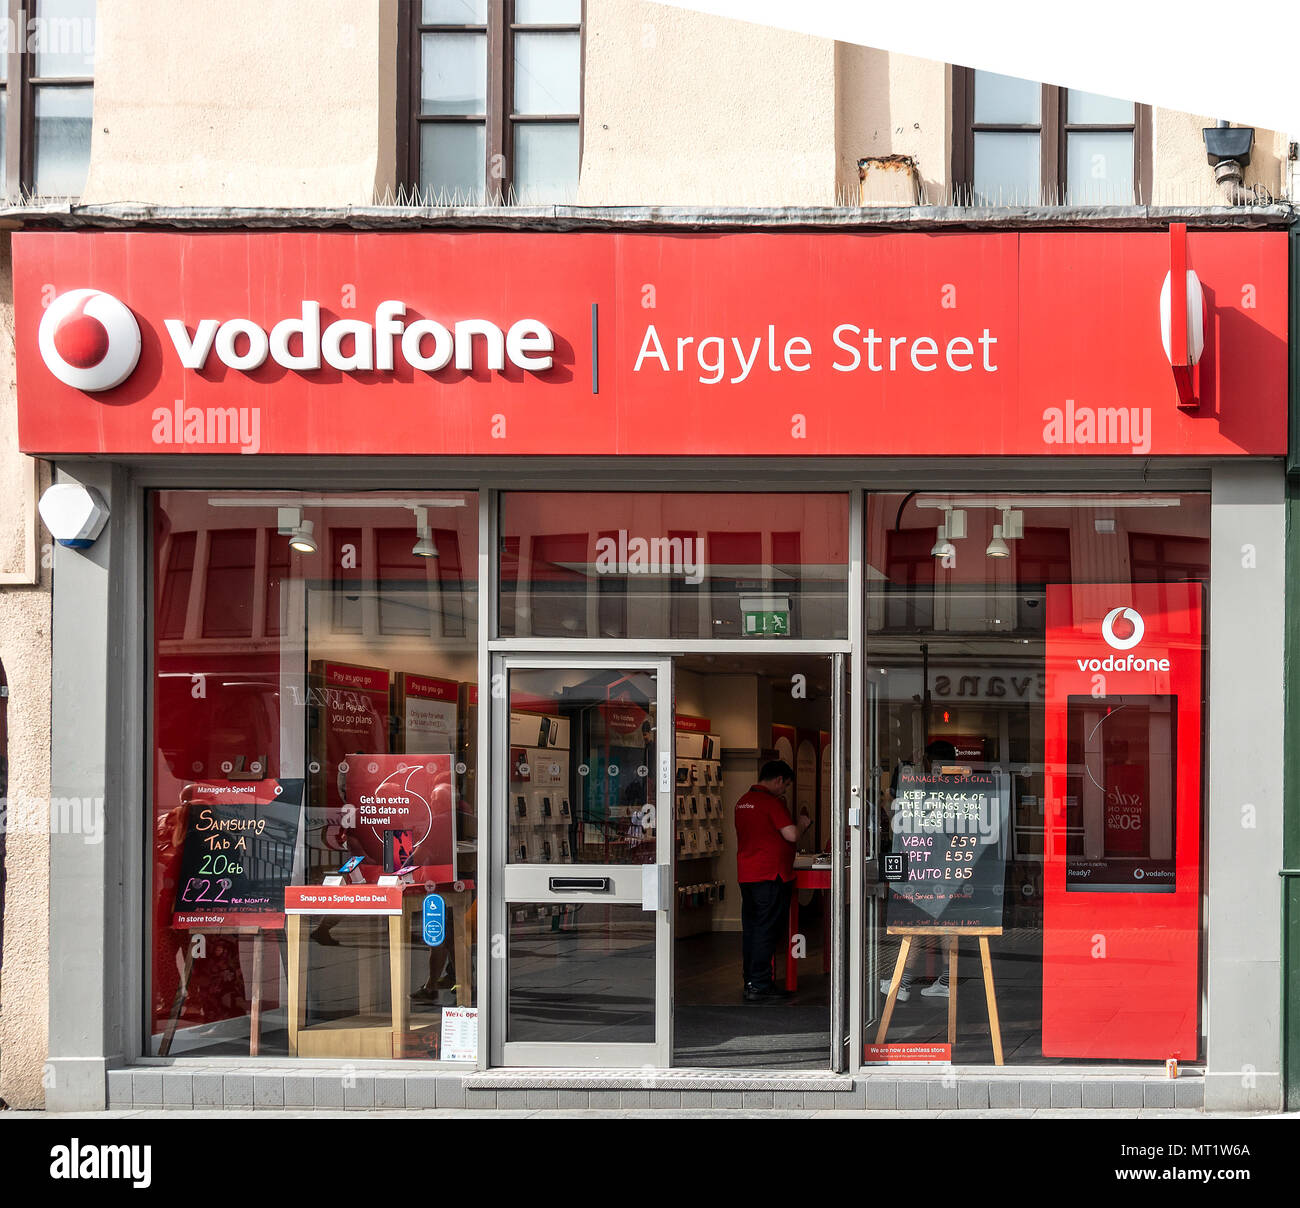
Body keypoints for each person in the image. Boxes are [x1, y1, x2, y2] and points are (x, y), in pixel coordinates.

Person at [880, 739, 958, 1002]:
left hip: (926, 864)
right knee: (945, 924)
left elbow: (902, 816)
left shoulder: (926, 786)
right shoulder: (957, 787)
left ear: (929, 761)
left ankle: (902, 983)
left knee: (914, 921)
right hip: (949, 865)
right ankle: (946, 979)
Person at [735, 759, 811, 1003]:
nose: (785, 790)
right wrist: (802, 824)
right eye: (786, 785)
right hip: (771, 875)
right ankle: (759, 984)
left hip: (748, 874)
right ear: (778, 780)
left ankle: (750, 980)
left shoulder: (742, 802)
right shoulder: (770, 802)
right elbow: (791, 834)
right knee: (766, 930)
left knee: (752, 929)